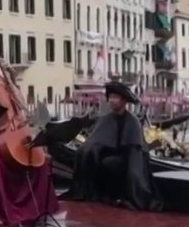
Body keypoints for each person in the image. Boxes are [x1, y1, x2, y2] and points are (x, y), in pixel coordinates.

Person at [0, 30, 59, 226]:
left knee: (35, 160)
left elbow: (14, 97)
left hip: (3, 124)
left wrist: (10, 79)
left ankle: (34, 208)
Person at [63, 81, 163, 210]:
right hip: (108, 154)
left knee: (110, 163)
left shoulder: (133, 121)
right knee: (88, 156)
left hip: (127, 158)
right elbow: (96, 140)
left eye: (115, 97)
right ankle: (94, 193)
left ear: (123, 101)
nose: (111, 100)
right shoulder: (105, 119)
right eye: (110, 97)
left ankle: (118, 195)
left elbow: (135, 150)